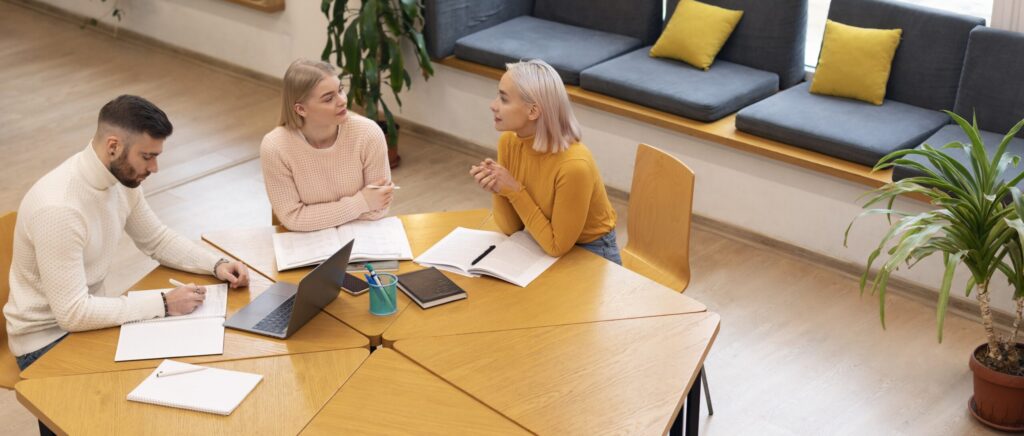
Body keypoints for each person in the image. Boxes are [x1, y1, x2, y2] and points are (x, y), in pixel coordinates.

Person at [4, 95, 251, 375]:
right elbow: (73, 313)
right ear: (113, 146)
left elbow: (157, 240)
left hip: (89, 318)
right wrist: (164, 303)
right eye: (147, 157)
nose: (154, 168)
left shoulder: (122, 181)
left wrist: (215, 265)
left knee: (187, 361)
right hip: (45, 342)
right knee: (150, 376)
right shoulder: (60, 209)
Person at [469, 59, 621, 264]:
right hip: (541, 236)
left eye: (504, 99)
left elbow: (556, 246)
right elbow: (510, 228)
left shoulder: (574, 165)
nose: (493, 105)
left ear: (533, 111)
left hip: (591, 250)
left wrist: (514, 190)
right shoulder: (509, 142)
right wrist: (500, 188)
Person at [261, 59, 394, 232]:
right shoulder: (275, 147)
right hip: (306, 245)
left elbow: (378, 208)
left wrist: (315, 216)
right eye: (328, 98)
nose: (342, 101)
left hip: (361, 239)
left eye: (340, 90)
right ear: (301, 109)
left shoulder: (368, 133)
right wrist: (362, 202)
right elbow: (293, 218)